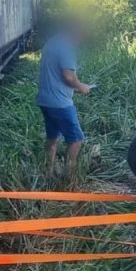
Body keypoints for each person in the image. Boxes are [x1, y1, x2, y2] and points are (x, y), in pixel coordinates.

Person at [36, 21, 91, 176]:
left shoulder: (52, 42)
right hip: (60, 103)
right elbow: (68, 76)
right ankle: (69, 175)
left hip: (45, 100)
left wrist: (77, 85)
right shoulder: (66, 47)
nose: (81, 39)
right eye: (81, 35)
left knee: (52, 138)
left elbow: (55, 74)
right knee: (76, 139)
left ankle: (48, 170)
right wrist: (82, 87)